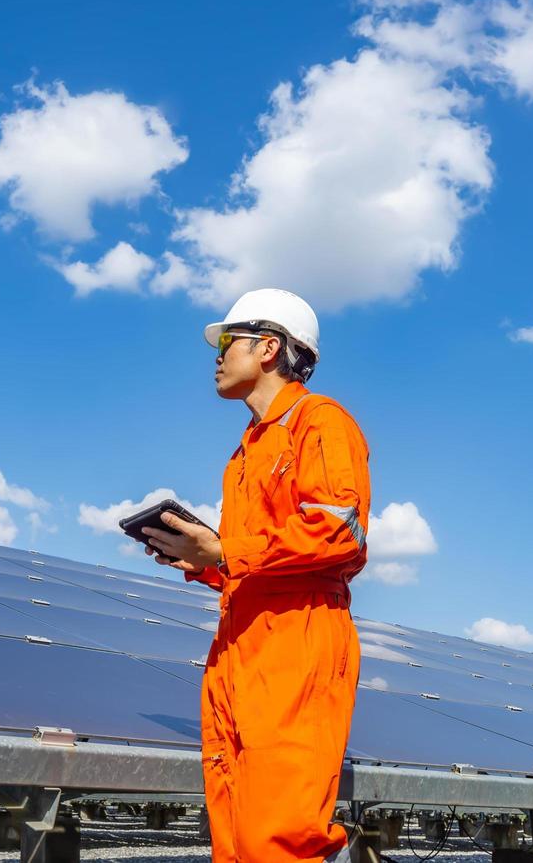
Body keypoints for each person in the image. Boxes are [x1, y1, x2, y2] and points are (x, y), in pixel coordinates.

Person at [142, 288, 370, 863]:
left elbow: (338, 535)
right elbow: (253, 561)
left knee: (279, 837)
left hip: (297, 639)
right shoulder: (245, 451)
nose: (215, 356)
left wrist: (223, 551)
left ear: (268, 347)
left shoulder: (320, 422)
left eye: (227, 342)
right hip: (240, 642)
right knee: (236, 831)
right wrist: (205, 562)